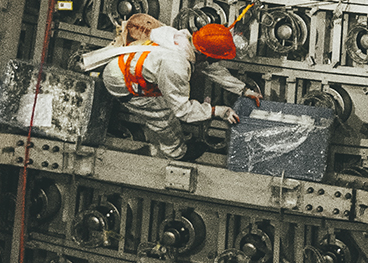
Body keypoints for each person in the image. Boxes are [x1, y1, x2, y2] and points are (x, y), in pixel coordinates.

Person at [80, 12, 258, 160]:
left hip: (124, 64)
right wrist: (219, 111)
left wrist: (243, 90)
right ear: (208, 54)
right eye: (218, 58)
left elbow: (211, 69)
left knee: (168, 103)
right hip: (122, 82)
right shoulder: (176, 65)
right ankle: (176, 153)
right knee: (164, 116)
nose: (217, 62)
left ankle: (177, 146)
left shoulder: (185, 39)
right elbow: (182, 110)